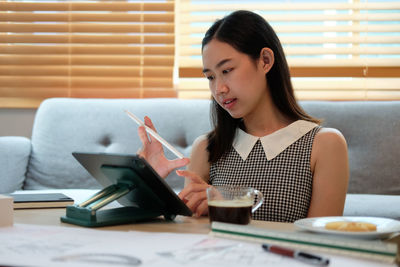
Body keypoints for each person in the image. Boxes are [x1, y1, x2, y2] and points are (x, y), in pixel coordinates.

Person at [137, 10, 349, 223]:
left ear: (265, 60)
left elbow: (321, 244)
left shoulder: (325, 145)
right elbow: (189, 234)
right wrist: (147, 184)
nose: (219, 88)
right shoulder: (205, 148)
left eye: (227, 70)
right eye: (210, 77)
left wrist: (228, 207)